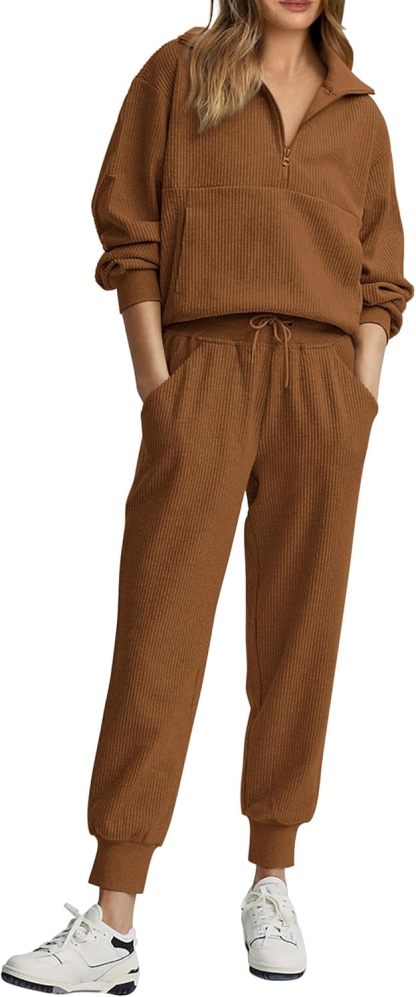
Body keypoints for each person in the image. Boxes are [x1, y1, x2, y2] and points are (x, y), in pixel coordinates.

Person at [2, 0, 414, 988]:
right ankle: (113, 919)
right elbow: (128, 229)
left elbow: (382, 276)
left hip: (322, 388)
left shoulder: (358, 112)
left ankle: (272, 876)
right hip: (206, 371)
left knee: (299, 634)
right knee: (160, 627)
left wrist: (358, 394)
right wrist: (160, 385)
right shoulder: (178, 74)